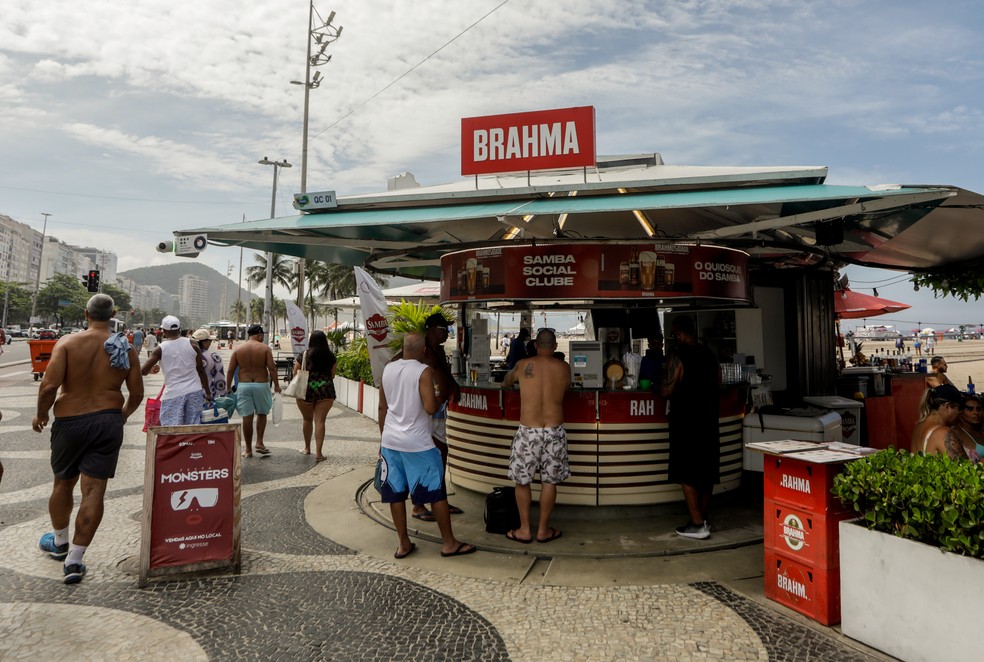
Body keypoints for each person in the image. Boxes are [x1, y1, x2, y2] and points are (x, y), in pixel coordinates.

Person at [33, 293, 144, 584]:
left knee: (63, 482)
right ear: (114, 314)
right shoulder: (126, 348)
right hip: (107, 420)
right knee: (94, 491)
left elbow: (49, 386)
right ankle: (75, 561)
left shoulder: (68, 343)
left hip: (70, 422)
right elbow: (137, 394)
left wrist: (41, 415)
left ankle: (59, 542)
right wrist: (121, 415)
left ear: (86, 314)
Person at [377, 333, 475, 559]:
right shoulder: (423, 371)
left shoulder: (388, 369)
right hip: (418, 443)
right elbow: (430, 408)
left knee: (395, 493)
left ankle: (403, 543)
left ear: (403, 348)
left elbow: (383, 408)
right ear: (423, 351)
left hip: (391, 441)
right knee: (436, 492)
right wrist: (441, 395)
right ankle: (449, 543)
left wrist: (384, 439)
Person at [502, 328, 571, 544]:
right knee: (549, 482)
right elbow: (566, 388)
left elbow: (507, 381)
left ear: (535, 345)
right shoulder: (564, 368)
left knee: (522, 481)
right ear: (555, 346)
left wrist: (512, 376)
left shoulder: (523, 365)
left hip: (528, 430)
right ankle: (543, 530)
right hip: (554, 430)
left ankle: (524, 529)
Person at [661, 315, 720, 540]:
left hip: (686, 422)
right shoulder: (710, 355)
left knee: (686, 471)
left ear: (677, 333)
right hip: (709, 421)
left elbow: (666, 390)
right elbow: (719, 382)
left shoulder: (678, 357)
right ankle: (702, 518)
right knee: (706, 472)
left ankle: (697, 524)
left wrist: (661, 381)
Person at [402, 313, 463, 521]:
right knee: (431, 453)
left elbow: (442, 373)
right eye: (442, 330)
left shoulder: (437, 350)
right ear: (430, 330)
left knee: (440, 453)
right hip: (427, 409)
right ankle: (419, 504)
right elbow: (399, 364)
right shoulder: (421, 350)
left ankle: (439, 499)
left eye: (447, 330)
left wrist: (453, 385)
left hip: (438, 408)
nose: (446, 334)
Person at [141, 316, 211, 426]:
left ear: (164, 331)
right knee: (192, 428)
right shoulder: (193, 343)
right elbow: (200, 370)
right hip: (194, 392)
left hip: (173, 394)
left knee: (170, 430)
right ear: (179, 329)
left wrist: (151, 370)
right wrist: (208, 392)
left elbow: (143, 371)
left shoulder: (161, 349)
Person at [226, 324, 281, 457]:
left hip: (244, 385)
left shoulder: (239, 350)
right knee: (262, 413)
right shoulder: (265, 349)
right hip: (261, 384)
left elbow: (230, 370)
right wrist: (277, 386)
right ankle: (260, 442)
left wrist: (228, 387)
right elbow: (272, 369)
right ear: (259, 335)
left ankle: (248, 450)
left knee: (247, 417)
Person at [293, 330, 336, 461]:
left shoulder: (304, 355)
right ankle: (319, 453)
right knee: (320, 421)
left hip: (306, 391)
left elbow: (296, 373)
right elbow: (332, 375)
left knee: (307, 420)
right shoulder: (330, 356)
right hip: (326, 391)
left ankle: (307, 448)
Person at [913, 384, 963, 454]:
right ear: (947, 407)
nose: (960, 413)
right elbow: (963, 464)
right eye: (960, 408)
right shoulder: (943, 433)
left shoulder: (919, 426)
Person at [191, 329, 226, 400]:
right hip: (208, 392)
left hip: (190, 392)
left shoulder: (188, 356)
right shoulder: (214, 357)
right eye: (209, 341)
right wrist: (222, 393)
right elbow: (219, 377)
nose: (210, 343)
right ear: (204, 342)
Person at [951, 393, 983, 462]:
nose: (975, 413)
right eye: (970, 409)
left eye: (979, 409)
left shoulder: (981, 431)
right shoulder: (956, 432)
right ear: (961, 412)